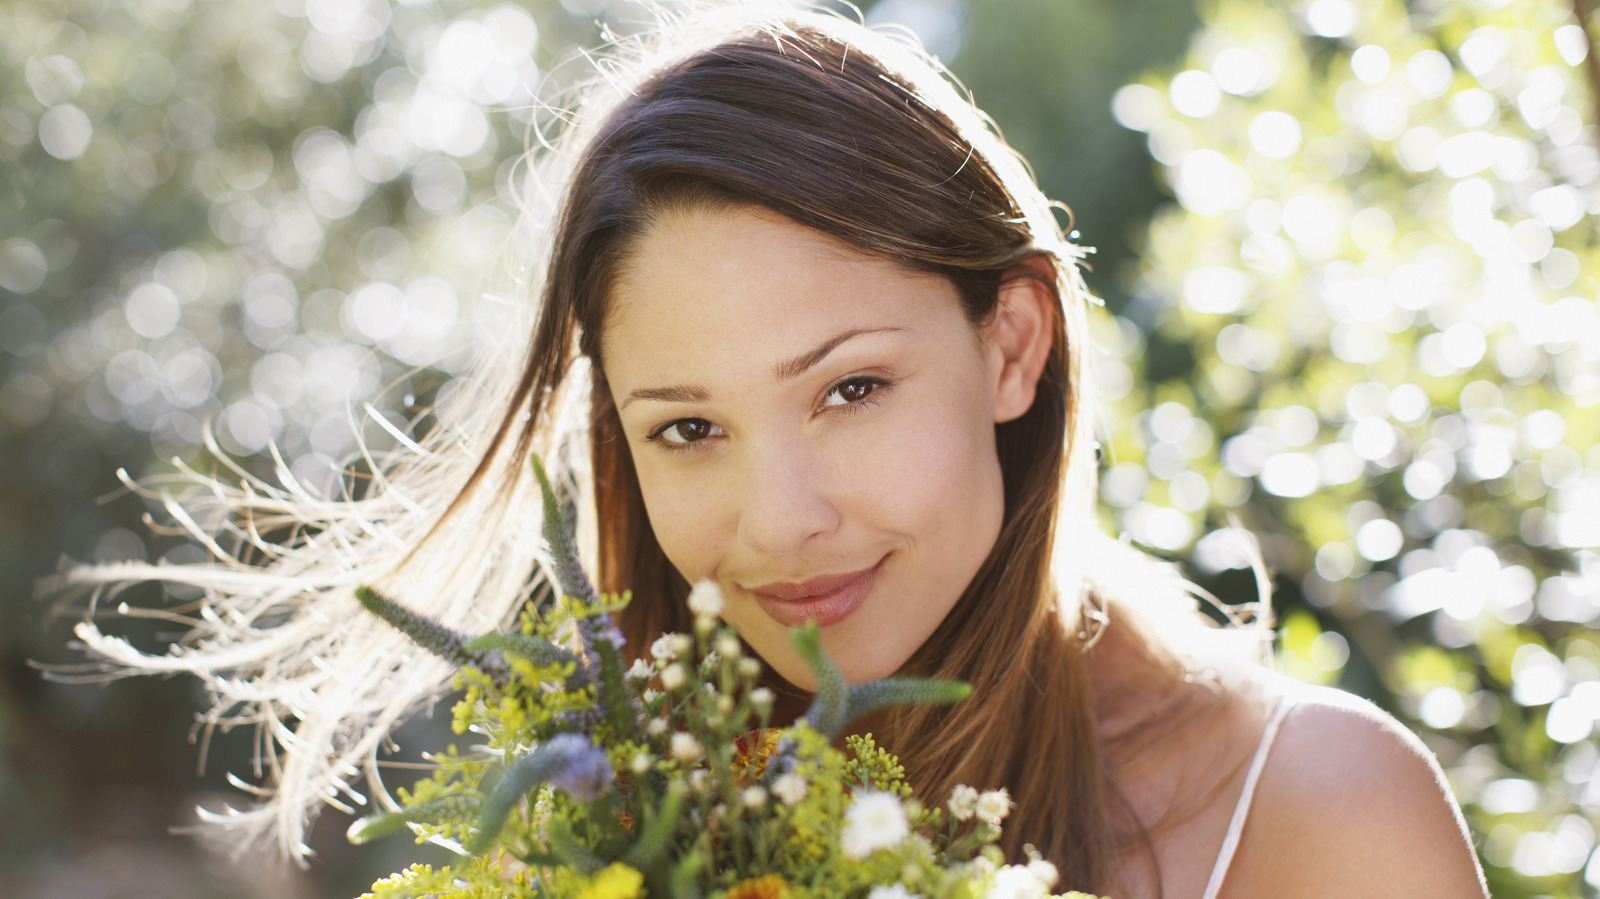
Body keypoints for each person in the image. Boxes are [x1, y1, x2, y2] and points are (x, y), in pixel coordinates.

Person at [65, 3, 1488, 896]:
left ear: (1012, 343)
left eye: (849, 391)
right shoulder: (627, 828)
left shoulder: (1314, 819)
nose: (777, 521)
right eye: (690, 429)